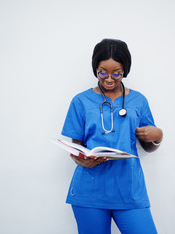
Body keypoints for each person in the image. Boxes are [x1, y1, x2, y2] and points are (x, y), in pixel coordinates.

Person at [61, 38, 163, 234]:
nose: (109, 79)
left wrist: (157, 136)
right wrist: (83, 160)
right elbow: (77, 149)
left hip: (129, 190)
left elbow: (148, 145)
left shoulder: (138, 101)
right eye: (102, 72)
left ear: (125, 70)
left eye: (116, 73)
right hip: (90, 192)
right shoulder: (80, 101)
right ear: (95, 69)